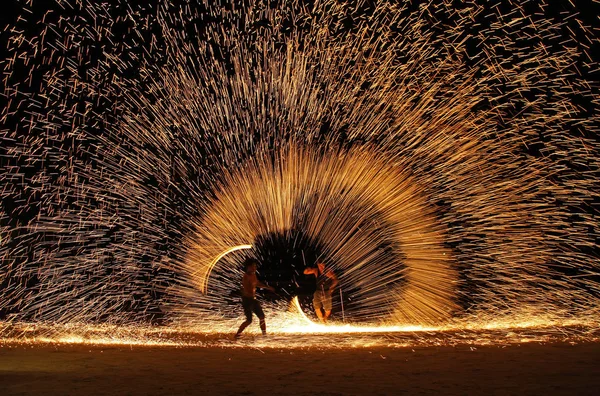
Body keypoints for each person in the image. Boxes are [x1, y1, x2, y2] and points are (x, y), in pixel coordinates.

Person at [235, 257, 275, 339]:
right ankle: (237, 334)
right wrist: (248, 291)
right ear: (248, 267)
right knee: (249, 320)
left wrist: (267, 287)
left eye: (255, 266)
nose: (255, 268)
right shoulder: (245, 277)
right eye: (253, 266)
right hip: (247, 300)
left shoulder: (253, 274)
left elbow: (256, 283)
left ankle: (264, 335)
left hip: (252, 299)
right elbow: (247, 289)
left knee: (262, 317)